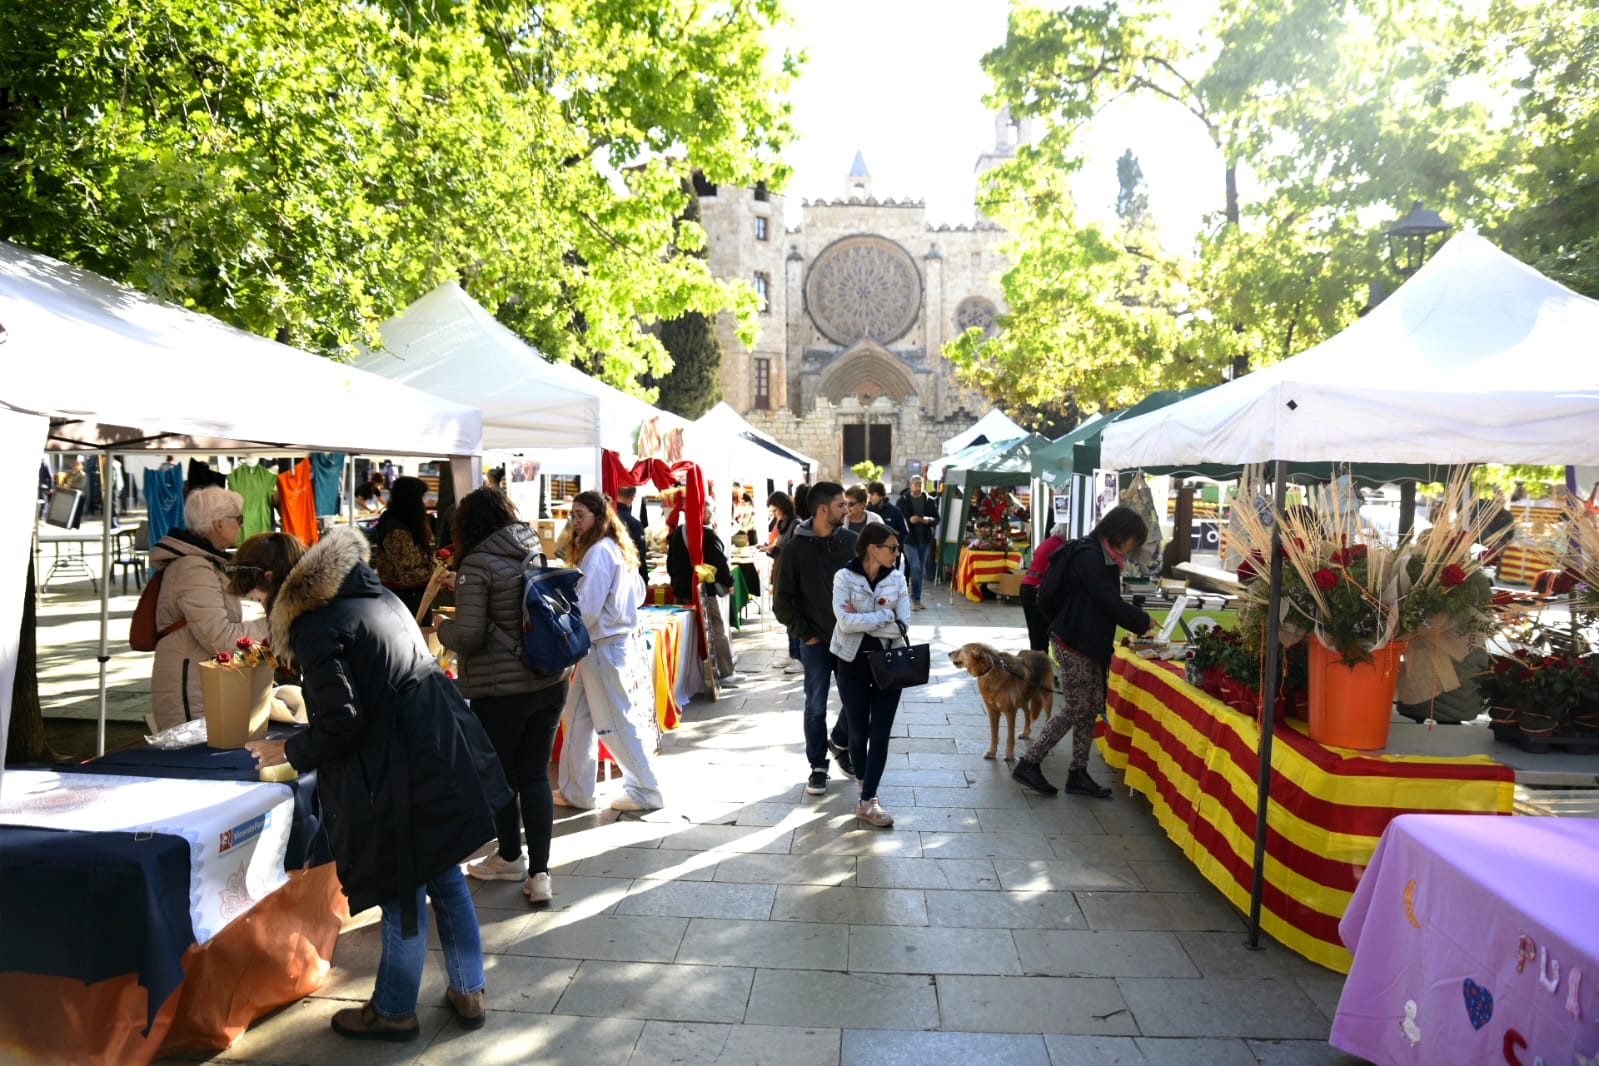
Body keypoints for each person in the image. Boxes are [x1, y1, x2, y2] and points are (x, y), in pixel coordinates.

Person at [236, 528, 505, 1040]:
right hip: (433, 747)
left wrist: (287, 750)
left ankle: (394, 1009)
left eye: (252, 595)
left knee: (403, 885)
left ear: (270, 581)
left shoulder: (316, 624)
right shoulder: (368, 590)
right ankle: (469, 991)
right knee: (444, 873)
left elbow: (342, 721)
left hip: (398, 764)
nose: (254, 606)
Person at [431, 488, 570, 904]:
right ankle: (540, 874)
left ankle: (510, 856)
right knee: (533, 774)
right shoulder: (531, 548)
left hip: (502, 689)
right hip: (549, 679)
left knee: (501, 776)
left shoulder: (476, 564)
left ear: (467, 525)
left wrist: (441, 625)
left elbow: (469, 637)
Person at [1012, 506, 1154, 799]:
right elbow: (1107, 601)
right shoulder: (1092, 557)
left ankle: (1078, 772)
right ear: (1121, 533)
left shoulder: (1098, 553)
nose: (1133, 548)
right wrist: (1142, 621)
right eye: (1133, 540)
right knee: (1078, 707)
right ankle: (1030, 762)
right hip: (1074, 641)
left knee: (1089, 705)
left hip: (1084, 640)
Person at [553, 491, 666, 812]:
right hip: (601, 646)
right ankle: (576, 790)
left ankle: (645, 789)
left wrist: (562, 617)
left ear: (597, 518)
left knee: (613, 721)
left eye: (580, 515)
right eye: (572, 515)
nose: (575, 522)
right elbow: (639, 594)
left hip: (602, 647)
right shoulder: (614, 548)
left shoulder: (600, 552)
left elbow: (587, 609)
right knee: (578, 719)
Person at [146, 486, 268, 731]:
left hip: (197, 680)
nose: (241, 525)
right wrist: (276, 624)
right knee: (195, 762)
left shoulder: (204, 562)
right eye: (238, 519)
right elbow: (220, 637)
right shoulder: (193, 568)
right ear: (219, 523)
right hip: (191, 687)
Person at [772, 481, 859, 794]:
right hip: (817, 643)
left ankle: (839, 740)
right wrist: (805, 635)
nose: (847, 510)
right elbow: (782, 601)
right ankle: (818, 767)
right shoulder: (794, 549)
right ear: (823, 510)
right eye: (841, 505)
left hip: (851, 639)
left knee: (858, 700)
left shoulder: (853, 542)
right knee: (816, 706)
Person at [830, 523, 913, 828]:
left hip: (889, 665)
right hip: (851, 664)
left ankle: (869, 800)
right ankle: (864, 786)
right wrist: (883, 616)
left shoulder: (898, 579)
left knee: (880, 734)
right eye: (891, 547)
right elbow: (844, 621)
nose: (896, 552)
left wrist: (870, 619)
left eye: (897, 547)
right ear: (873, 549)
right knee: (857, 732)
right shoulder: (844, 577)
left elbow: (903, 624)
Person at [667, 502, 744, 687]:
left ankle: (692, 674)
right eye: (711, 512)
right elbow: (721, 564)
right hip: (703, 591)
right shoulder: (707, 535)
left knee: (688, 633)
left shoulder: (678, 533)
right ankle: (726, 673)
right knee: (716, 630)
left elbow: (670, 563)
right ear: (705, 514)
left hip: (682, 590)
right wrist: (728, 583)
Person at [371, 476, 434, 616]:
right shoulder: (396, 531)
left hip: (412, 597)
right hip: (403, 600)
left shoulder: (405, 524)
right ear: (411, 500)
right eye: (421, 498)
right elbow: (404, 575)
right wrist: (436, 574)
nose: (423, 504)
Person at [761, 491, 803, 672]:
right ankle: (793, 655)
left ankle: (798, 658)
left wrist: (774, 550)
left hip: (793, 577)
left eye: (775, 510)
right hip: (782, 574)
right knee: (787, 618)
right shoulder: (783, 524)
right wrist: (772, 550)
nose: (774, 514)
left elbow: (793, 552)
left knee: (793, 617)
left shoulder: (796, 524)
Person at [1020, 523, 1070, 652]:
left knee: (1036, 634)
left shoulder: (1049, 542)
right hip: (1036, 588)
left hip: (1029, 586)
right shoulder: (1059, 545)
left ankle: (1038, 666)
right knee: (1040, 635)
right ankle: (1040, 668)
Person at [900, 475, 939, 599]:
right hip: (909, 540)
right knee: (915, 566)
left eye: (920, 484)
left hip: (925, 539)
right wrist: (909, 519)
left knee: (920, 569)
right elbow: (899, 519)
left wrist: (928, 520)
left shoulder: (930, 501)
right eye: (916, 484)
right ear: (910, 485)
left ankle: (916, 598)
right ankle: (912, 593)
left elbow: (937, 519)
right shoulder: (903, 501)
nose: (918, 487)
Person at [614, 484, 651, 588]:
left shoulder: (604, 519)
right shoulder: (634, 524)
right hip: (629, 578)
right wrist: (644, 580)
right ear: (632, 498)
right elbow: (640, 556)